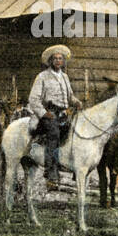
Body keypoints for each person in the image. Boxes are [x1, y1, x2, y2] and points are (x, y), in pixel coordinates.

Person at [27, 44, 82, 186]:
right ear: (50, 61)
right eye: (55, 59)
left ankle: (72, 168)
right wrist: (44, 113)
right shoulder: (42, 77)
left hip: (63, 114)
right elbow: (33, 99)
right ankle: (51, 171)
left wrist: (76, 102)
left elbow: (70, 97)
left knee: (76, 132)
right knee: (54, 134)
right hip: (49, 114)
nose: (58, 61)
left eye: (60, 59)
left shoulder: (65, 77)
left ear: (63, 61)